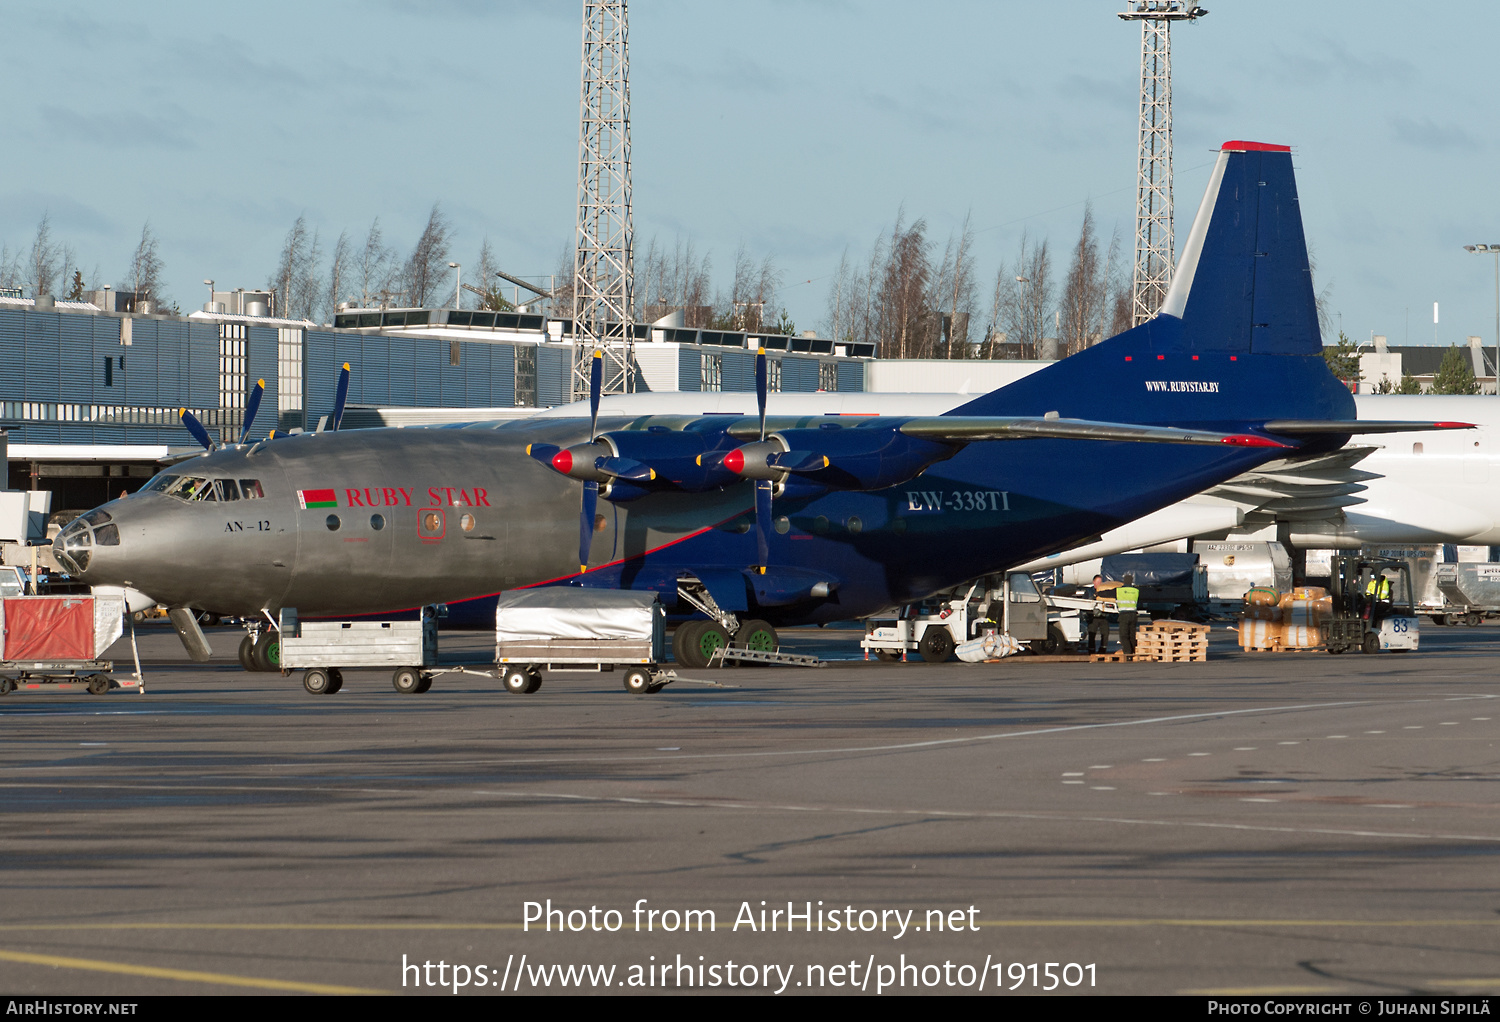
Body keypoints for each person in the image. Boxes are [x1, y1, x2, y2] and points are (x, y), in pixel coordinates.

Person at [1084, 574, 1116, 654]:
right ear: (1093, 582)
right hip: (1093, 616)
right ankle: (1091, 650)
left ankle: (1103, 649)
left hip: (1103, 616)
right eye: (1097, 582)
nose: (1099, 584)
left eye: (1100, 582)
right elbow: (1084, 602)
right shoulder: (1089, 591)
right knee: (1092, 633)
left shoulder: (1105, 591)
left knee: (1105, 633)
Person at [1116, 573, 1141, 656]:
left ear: (1124, 581)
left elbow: (1107, 593)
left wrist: (1098, 593)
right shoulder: (1136, 590)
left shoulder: (1119, 590)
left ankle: (1127, 653)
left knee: (1123, 635)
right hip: (1133, 615)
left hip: (1124, 615)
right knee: (1132, 634)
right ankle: (1133, 651)